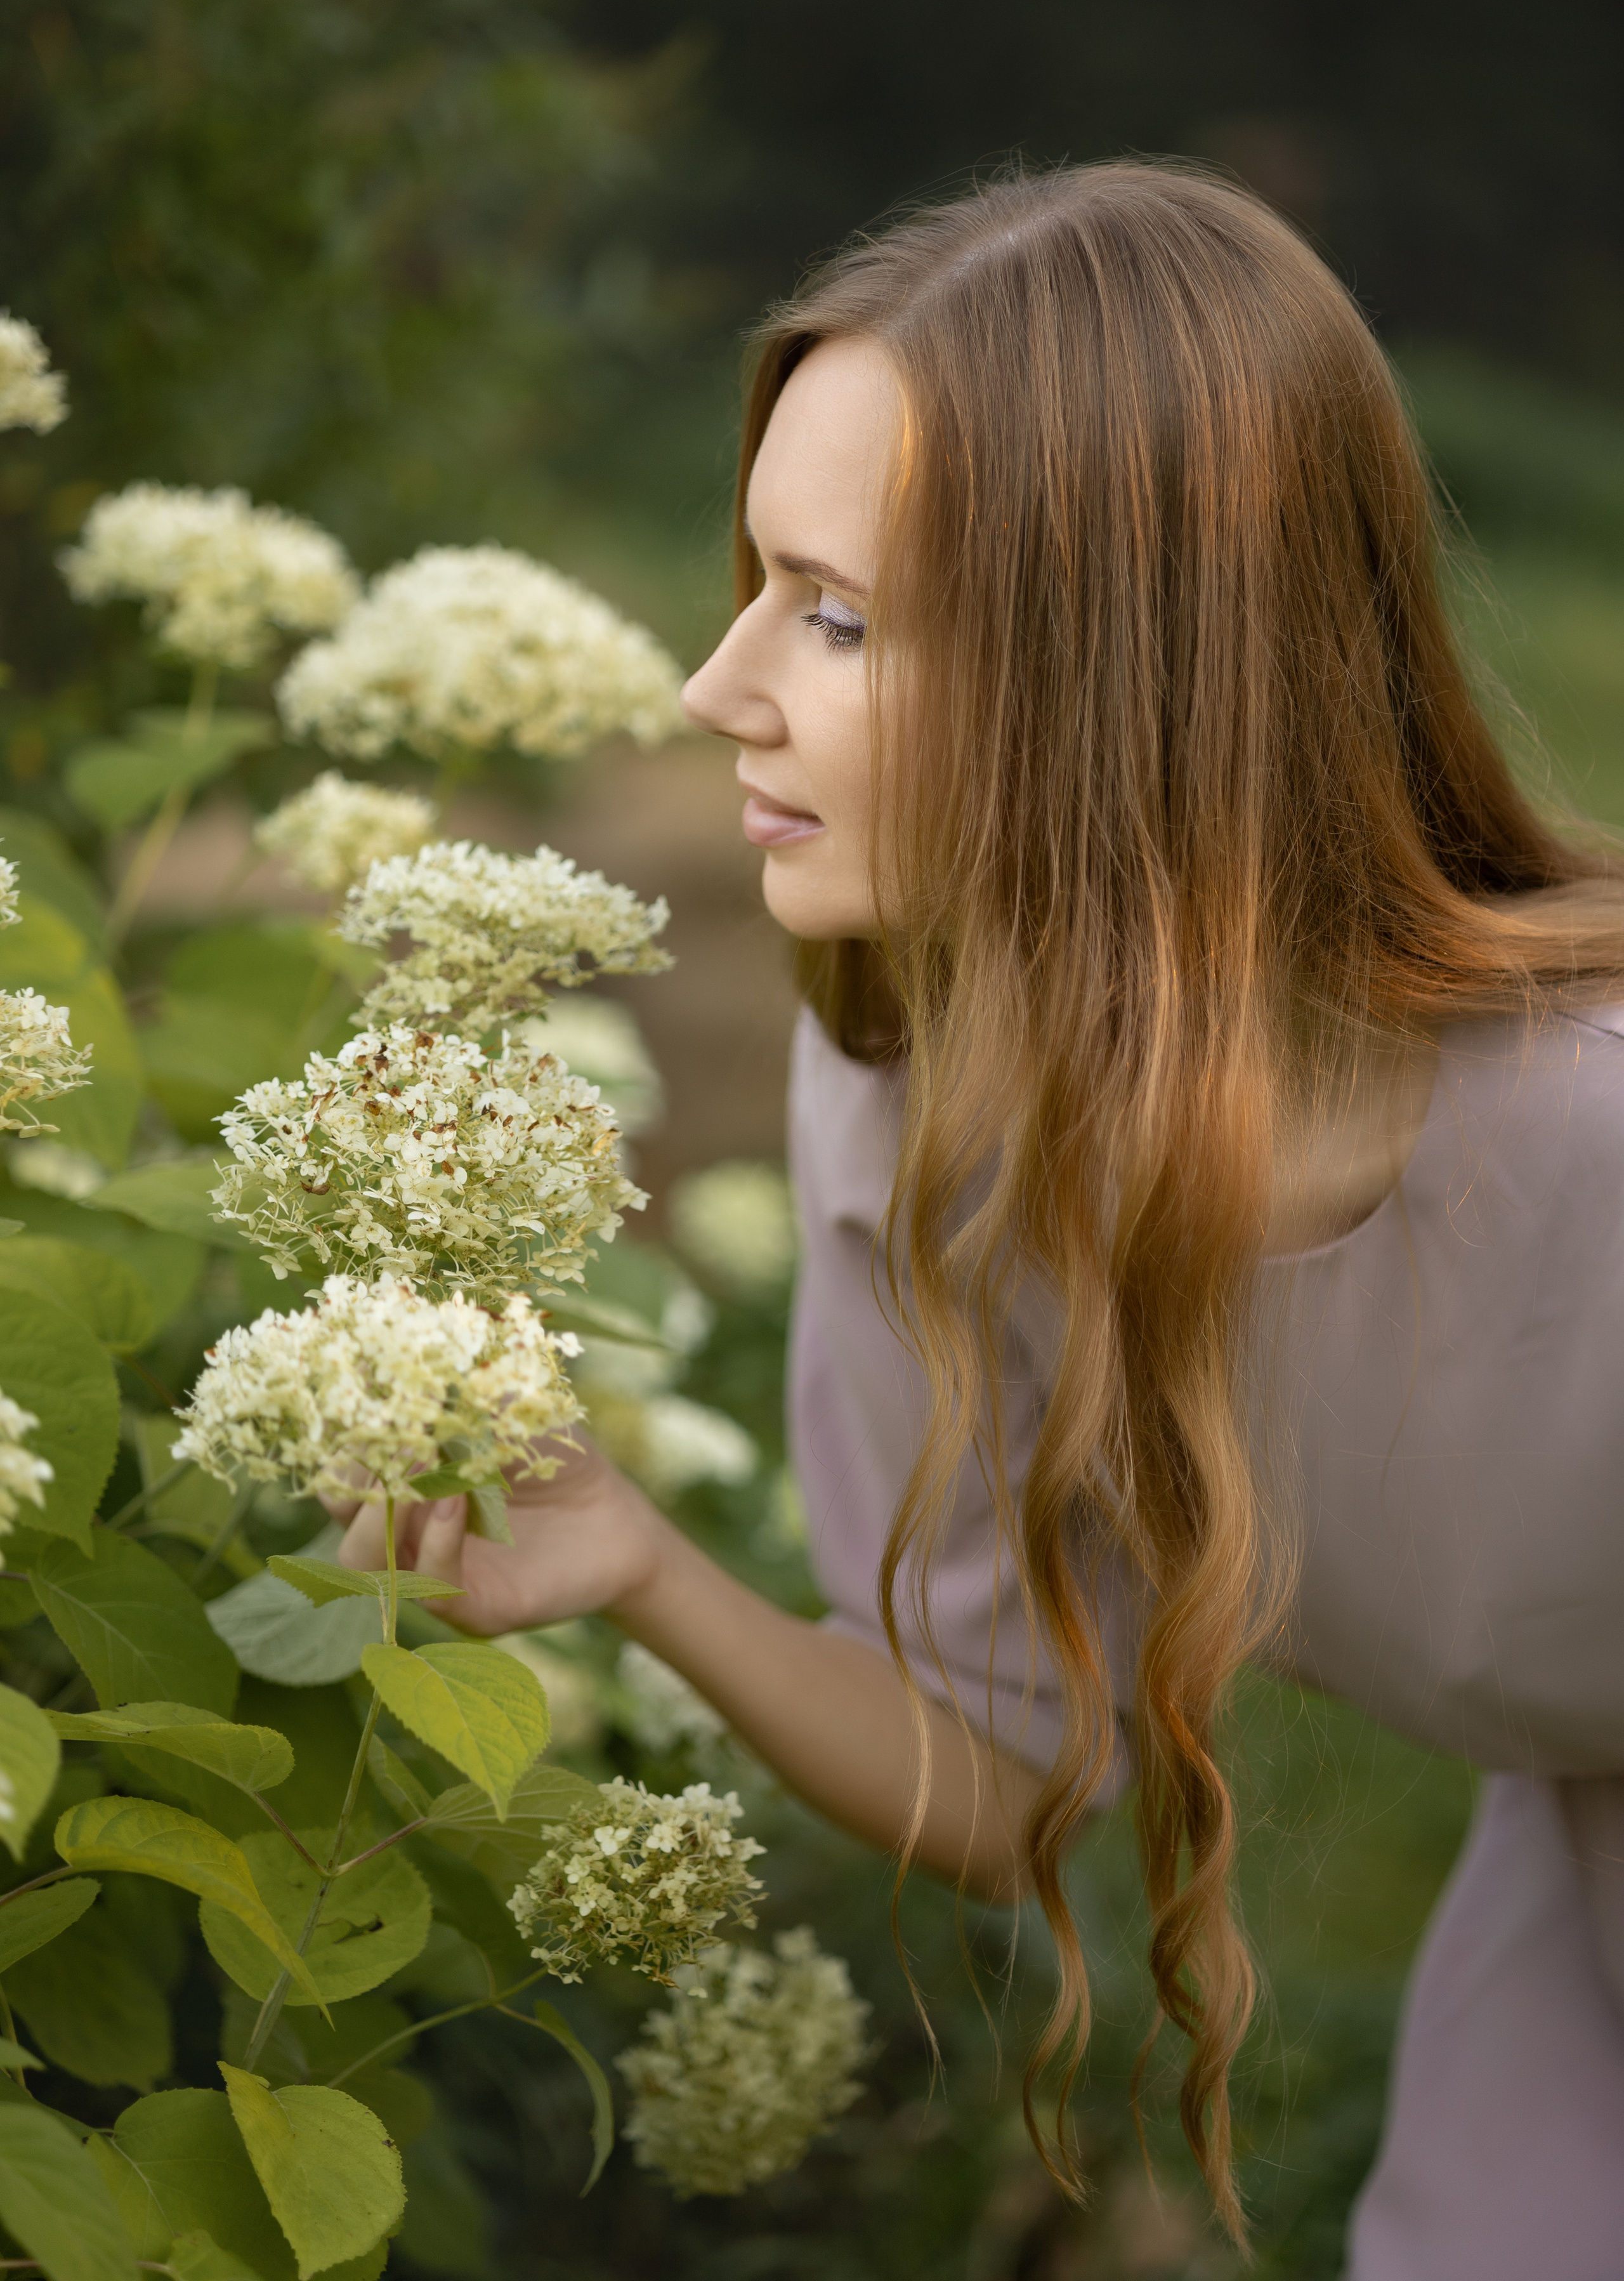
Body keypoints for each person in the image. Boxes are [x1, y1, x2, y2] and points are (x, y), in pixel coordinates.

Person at [334, 165, 1624, 2277]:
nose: (718, 686)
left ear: (1133, 678)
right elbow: (1013, 1773)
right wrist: (636, 1562)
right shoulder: (918, 1093)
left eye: (835, 617)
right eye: (758, 582)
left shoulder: (1598, 1140)